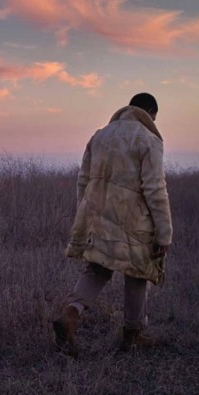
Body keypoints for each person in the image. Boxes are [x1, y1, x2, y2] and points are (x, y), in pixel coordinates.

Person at [53, 93, 172, 357]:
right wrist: (164, 234)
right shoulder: (149, 140)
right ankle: (133, 335)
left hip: (97, 217)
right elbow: (154, 189)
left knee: (96, 270)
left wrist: (84, 216)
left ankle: (71, 314)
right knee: (138, 273)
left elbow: (82, 180)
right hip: (134, 222)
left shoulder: (100, 135)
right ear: (150, 113)